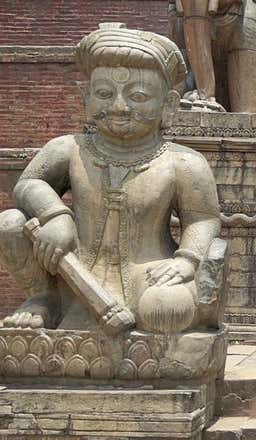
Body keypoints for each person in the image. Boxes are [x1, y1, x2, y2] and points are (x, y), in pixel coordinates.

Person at [0, 23, 222, 334]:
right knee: (9, 223)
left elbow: (202, 219)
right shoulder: (68, 149)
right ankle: (44, 299)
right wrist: (55, 216)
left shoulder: (183, 162)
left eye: (139, 95)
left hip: (149, 272)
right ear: (86, 98)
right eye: (104, 93)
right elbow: (27, 184)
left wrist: (187, 260)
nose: (119, 106)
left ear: (169, 105)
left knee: (166, 309)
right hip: (71, 271)